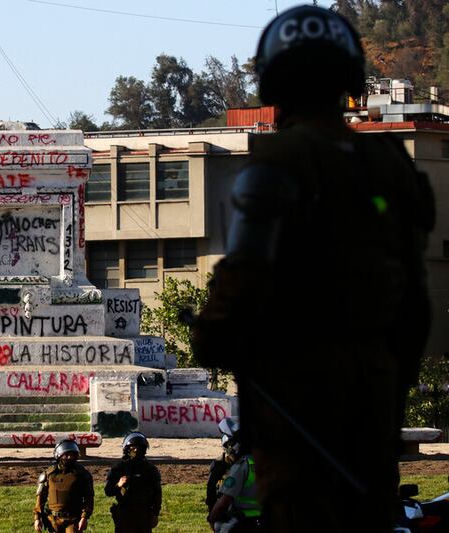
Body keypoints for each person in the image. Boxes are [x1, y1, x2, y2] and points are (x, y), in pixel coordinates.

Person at [192, 5, 434, 533]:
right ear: (347, 77)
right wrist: (387, 389)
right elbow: (417, 309)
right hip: (374, 412)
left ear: (277, 82)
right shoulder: (391, 163)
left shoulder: (278, 162)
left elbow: (239, 290)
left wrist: (211, 335)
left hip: (297, 413)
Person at [207, 418, 261, 533]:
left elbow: (224, 501)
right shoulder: (268, 463)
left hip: (243, 522)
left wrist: (211, 519)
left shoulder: (241, 466)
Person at [105, 432, 162, 532]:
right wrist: (118, 485)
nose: (136, 450)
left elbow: (157, 494)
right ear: (127, 449)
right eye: (133, 447)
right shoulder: (119, 468)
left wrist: (155, 514)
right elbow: (108, 491)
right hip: (124, 514)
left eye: (140, 448)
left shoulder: (150, 470)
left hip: (144, 513)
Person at [33, 439, 94, 532]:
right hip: (54, 520)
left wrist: (84, 517)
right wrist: (37, 518)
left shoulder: (82, 474)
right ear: (59, 455)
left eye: (72, 455)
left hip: (73, 520)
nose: (70, 457)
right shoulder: (49, 474)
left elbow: (89, 498)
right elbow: (40, 498)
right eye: (66, 454)